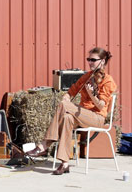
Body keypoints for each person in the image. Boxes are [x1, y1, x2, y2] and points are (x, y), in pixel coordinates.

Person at [26, 47, 117, 175]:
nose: (90, 62)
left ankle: (44, 144)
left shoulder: (108, 80)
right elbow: (70, 93)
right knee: (67, 118)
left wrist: (91, 95)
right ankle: (64, 163)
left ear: (102, 61)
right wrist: (66, 98)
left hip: (97, 118)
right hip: (82, 115)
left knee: (64, 107)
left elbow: (101, 106)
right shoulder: (86, 77)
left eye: (93, 60)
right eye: (88, 59)